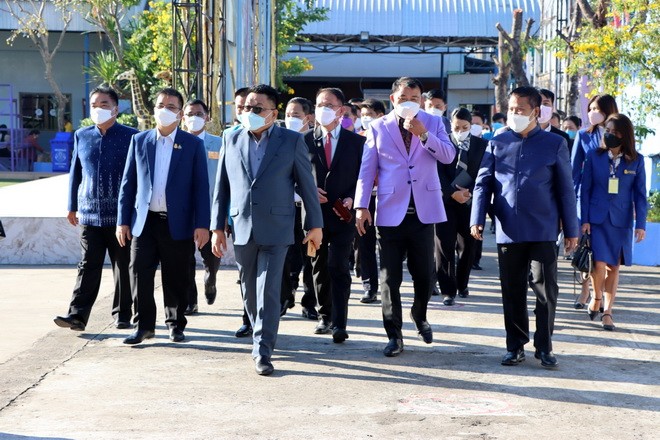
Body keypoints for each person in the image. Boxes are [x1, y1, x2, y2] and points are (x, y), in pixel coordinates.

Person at [210, 84, 323, 376]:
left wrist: (315, 224)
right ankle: (259, 332)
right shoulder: (230, 137)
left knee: (268, 290)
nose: (250, 112)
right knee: (249, 292)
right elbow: (221, 186)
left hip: (277, 227)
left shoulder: (291, 140)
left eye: (257, 108)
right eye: (246, 107)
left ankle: (262, 349)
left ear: (273, 113)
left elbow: (307, 186)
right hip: (242, 226)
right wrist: (217, 227)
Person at [470, 86, 578, 369]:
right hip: (509, 228)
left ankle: (544, 346)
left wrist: (572, 229)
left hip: (544, 228)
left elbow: (566, 190)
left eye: (520, 109)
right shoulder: (498, 142)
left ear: (535, 111)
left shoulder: (555, 143)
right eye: (511, 109)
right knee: (512, 289)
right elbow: (483, 184)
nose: (514, 114)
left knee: (546, 290)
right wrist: (476, 218)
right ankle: (515, 345)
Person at [355, 76, 455, 357]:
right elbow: (367, 169)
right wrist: (361, 206)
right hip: (390, 212)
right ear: (392, 100)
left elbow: (448, 156)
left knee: (424, 274)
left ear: (421, 100)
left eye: (414, 99)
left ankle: (419, 314)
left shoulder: (434, 122)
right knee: (389, 278)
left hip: (423, 212)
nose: (409, 103)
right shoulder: (378, 126)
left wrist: (424, 134)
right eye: (403, 99)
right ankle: (394, 334)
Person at [117, 87, 210, 345]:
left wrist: (202, 224)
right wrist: (122, 221)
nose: (165, 111)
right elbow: (128, 184)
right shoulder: (139, 141)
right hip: (144, 221)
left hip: (177, 222)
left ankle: (175, 324)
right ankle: (143, 326)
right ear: (154, 109)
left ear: (180, 114)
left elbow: (201, 187)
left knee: (176, 275)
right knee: (139, 272)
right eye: (161, 105)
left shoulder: (192, 144)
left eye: (171, 107)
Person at [54, 86, 137, 332]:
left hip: (120, 218)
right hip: (89, 215)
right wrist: (72, 206)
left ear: (115, 109)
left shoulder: (131, 136)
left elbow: (137, 177)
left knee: (122, 266)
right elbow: (75, 173)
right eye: (94, 105)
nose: (98, 109)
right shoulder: (82, 135)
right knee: (88, 265)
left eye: (104, 104)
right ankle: (77, 315)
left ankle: (123, 314)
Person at [304, 87, 365, 343]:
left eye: (328, 105)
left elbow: (364, 176)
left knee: (338, 266)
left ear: (341, 110)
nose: (323, 109)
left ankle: (340, 323)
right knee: (318, 267)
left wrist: (353, 197)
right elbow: (293, 175)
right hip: (314, 216)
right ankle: (324, 316)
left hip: (343, 215)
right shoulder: (304, 140)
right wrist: (307, 190)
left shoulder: (356, 142)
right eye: (319, 104)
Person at [580, 113, 647, 331]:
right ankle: (597, 297)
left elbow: (640, 195)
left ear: (624, 135)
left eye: (614, 132)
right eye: (607, 131)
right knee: (598, 263)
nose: (609, 135)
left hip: (621, 221)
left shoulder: (637, 160)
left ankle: (608, 311)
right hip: (597, 219)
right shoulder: (594, 155)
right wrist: (584, 219)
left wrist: (641, 225)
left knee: (614, 266)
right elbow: (585, 190)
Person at [435, 107, 487, 306]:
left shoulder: (482, 145)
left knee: (467, 246)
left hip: (469, 201)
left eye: (464, 127)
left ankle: (462, 283)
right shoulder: (443, 142)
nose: (460, 131)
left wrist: (470, 192)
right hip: (445, 201)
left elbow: (485, 172)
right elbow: (436, 171)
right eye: (457, 127)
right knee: (444, 245)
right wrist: (451, 193)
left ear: (470, 126)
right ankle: (448, 290)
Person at [571, 94, 618, 309]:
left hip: (611, 201)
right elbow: (574, 171)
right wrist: (571, 200)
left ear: (608, 110)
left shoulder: (619, 134)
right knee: (586, 247)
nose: (592, 113)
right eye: (590, 109)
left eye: (597, 109)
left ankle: (601, 296)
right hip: (586, 198)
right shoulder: (583, 135)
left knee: (606, 255)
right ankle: (585, 291)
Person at [182, 99, 222, 315]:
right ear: (183, 117)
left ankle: (211, 279)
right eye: (190, 114)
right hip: (184, 211)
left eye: (199, 114)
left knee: (211, 256)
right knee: (185, 258)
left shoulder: (219, 144)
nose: (194, 118)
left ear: (207, 117)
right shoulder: (177, 142)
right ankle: (190, 301)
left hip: (211, 210)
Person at [355, 99, 386, 303]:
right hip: (365, 199)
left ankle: (388, 284)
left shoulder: (389, 138)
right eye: (363, 115)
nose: (365, 118)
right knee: (365, 243)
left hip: (386, 197)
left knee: (386, 244)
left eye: (370, 115)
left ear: (381, 116)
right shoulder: (357, 139)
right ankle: (369, 286)